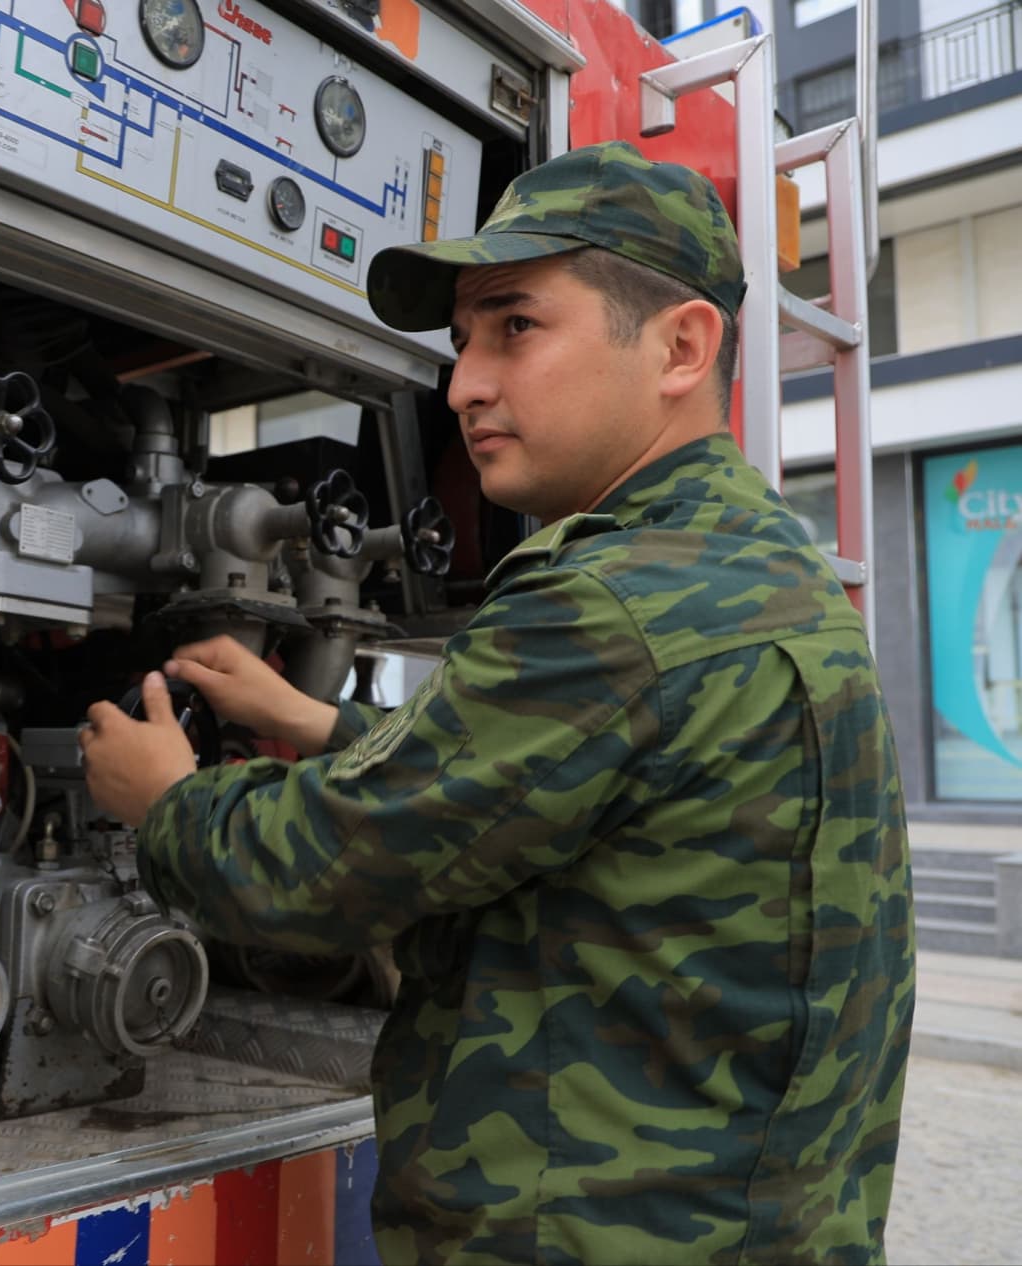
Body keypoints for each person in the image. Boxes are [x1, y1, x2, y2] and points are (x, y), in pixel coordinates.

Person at [80, 141, 915, 1264]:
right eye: (462, 341)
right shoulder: (756, 562)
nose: (463, 383)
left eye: (515, 327)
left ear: (679, 346)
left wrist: (167, 800)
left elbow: (318, 871)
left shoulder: (607, 605)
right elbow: (538, 788)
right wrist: (318, 717)